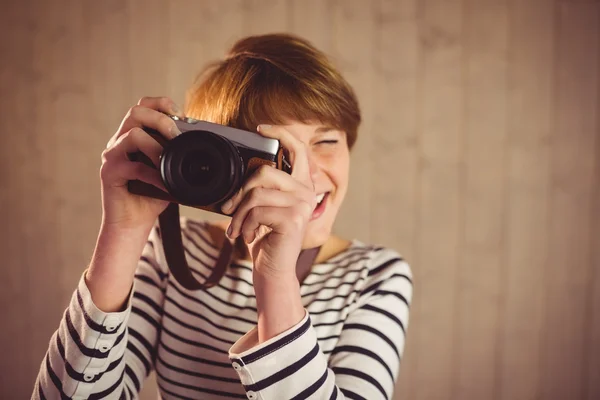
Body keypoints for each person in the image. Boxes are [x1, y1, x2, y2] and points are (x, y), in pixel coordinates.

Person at [33, 33, 413, 400]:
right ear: (219, 160)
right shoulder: (172, 252)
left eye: (327, 141)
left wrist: (276, 279)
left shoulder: (375, 276)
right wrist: (123, 230)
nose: (306, 177)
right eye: (278, 152)